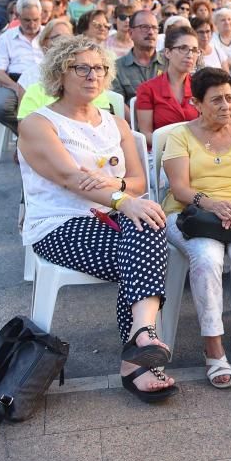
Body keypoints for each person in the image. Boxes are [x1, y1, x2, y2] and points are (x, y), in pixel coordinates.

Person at [17, 36, 177, 403]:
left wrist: (115, 188)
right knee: (144, 234)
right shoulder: (38, 124)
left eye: (100, 68)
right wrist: (123, 199)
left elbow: (138, 181)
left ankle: (140, 337)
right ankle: (140, 351)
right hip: (60, 223)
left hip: (112, 217)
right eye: (82, 68)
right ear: (60, 72)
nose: (94, 75)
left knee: (147, 227)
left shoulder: (115, 123)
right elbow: (70, 179)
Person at [161, 67, 231, 389]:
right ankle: (213, 348)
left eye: (229, 98)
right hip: (190, 214)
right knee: (208, 260)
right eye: (216, 100)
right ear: (196, 102)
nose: (226, 106)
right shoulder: (179, 136)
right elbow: (179, 188)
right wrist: (211, 204)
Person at [135, 27, 200, 148]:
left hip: (196, 152)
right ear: (167, 52)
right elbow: (146, 134)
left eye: (195, 50)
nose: (190, 55)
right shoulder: (147, 89)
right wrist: (177, 148)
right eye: (183, 48)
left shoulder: (200, 87)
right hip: (161, 153)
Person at [0, 0, 43, 135]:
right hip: (14, 81)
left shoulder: (48, 35)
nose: (32, 24)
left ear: (41, 16)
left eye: (35, 20)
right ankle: (28, 136)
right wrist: (18, 88)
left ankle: (35, 138)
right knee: (0, 108)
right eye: (27, 20)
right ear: (18, 17)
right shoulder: (6, 38)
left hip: (44, 83)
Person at [112, 10, 164, 103]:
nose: (151, 32)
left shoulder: (170, 63)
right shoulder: (116, 68)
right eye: (144, 27)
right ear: (131, 33)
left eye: (155, 28)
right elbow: (120, 104)